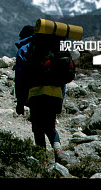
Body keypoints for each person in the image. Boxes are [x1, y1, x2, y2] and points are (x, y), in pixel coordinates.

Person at [14, 25, 67, 165]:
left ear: (24, 36)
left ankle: (42, 162)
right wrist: (61, 96)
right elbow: (63, 74)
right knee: (50, 125)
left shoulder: (25, 49)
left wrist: (20, 102)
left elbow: (20, 78)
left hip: (36, 94)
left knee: (37, 128)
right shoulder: (53, 46)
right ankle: (58, 151)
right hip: (55, 93)